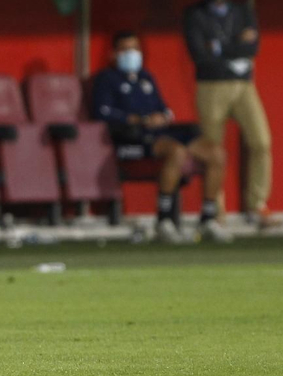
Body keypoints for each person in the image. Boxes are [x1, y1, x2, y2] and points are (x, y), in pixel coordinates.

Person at [91, 29, 220, 243]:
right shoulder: (107, 79)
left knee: (216, 153)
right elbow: (102, 112)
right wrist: (137, 120)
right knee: (177, 152)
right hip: (132, 137)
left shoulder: (146, 77)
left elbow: (164, 108)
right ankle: (164, 220)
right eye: (125, 49)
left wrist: (162, 116)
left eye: (135, 48)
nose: (131, 54)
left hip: (161, 132)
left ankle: (208, 219)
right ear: (114, 54)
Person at [184, 0, 278, 233]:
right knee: (214, 150)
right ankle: (217, 210)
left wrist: (220, 48)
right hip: (211, 86)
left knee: (261, 141)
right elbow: (199, 54)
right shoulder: (195, 14)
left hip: (243, 85)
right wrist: (234, 53)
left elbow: (253, 46)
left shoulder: (243, 10)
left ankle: (257, 204)